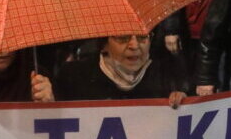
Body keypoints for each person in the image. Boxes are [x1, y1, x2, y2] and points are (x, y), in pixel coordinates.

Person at [55, 33, 187, 106]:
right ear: (104, 44)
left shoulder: (169, 74)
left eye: (142, 37)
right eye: (123, 37)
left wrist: (185, 104)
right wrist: (49, 104)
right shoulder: (74, 76)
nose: (134, 46)